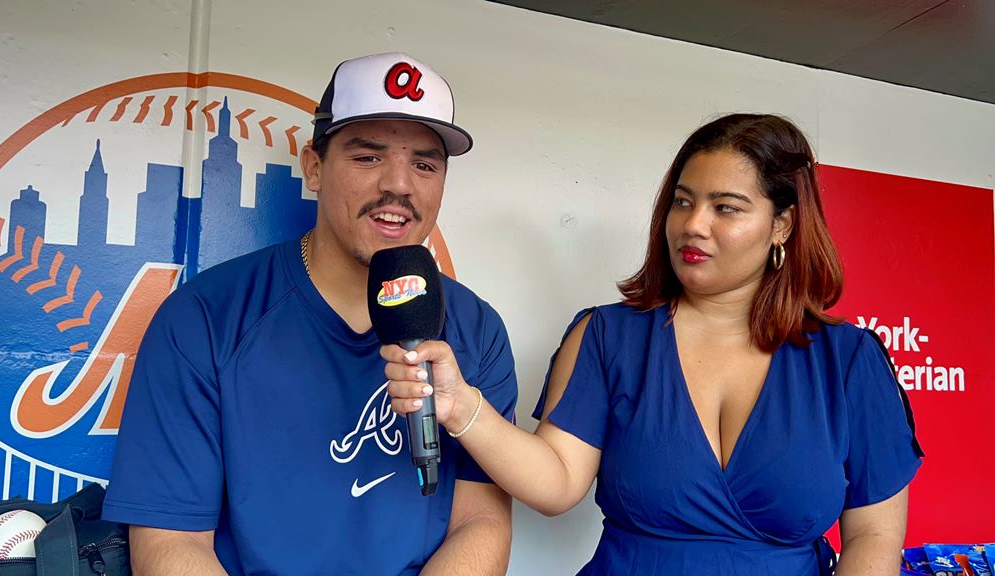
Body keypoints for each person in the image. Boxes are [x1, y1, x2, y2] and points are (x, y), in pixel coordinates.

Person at [385, 113, 923, 575]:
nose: (694, 225)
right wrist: (462, 408)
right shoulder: (607, 336)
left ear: (781, 224)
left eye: (726, 208)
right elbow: (558, 481)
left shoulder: (849, 360)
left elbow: (874, 535)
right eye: (683, 203)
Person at [102, 52, 518, 575]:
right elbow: (171, 542)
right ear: (314, 168)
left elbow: (480, 521)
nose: (400, 185)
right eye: (368, 157)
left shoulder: (477, 329)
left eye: (425, 164)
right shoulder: (205, 318)